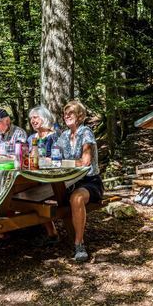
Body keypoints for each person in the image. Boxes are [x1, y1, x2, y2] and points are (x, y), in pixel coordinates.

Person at [57, 100, 104, 262]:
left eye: (71, 113)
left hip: (90, 181)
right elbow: (53, 159)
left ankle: (79, 245)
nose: (66, 116)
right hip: (68, 182)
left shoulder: (86, 132)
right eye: (65, 114)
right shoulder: (63, 136)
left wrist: (62, 163)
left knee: (76, 198)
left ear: (80, 116)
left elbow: (85, 161)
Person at [27, 105, 60, 246]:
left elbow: (58, 159)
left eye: (35, 117)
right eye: (31, 119)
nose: (32, 121)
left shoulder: (54, 136)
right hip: (33, 176)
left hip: (52, 178)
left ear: (44, 117)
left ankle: (52, 233)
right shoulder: (31, 138)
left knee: (33, 194)